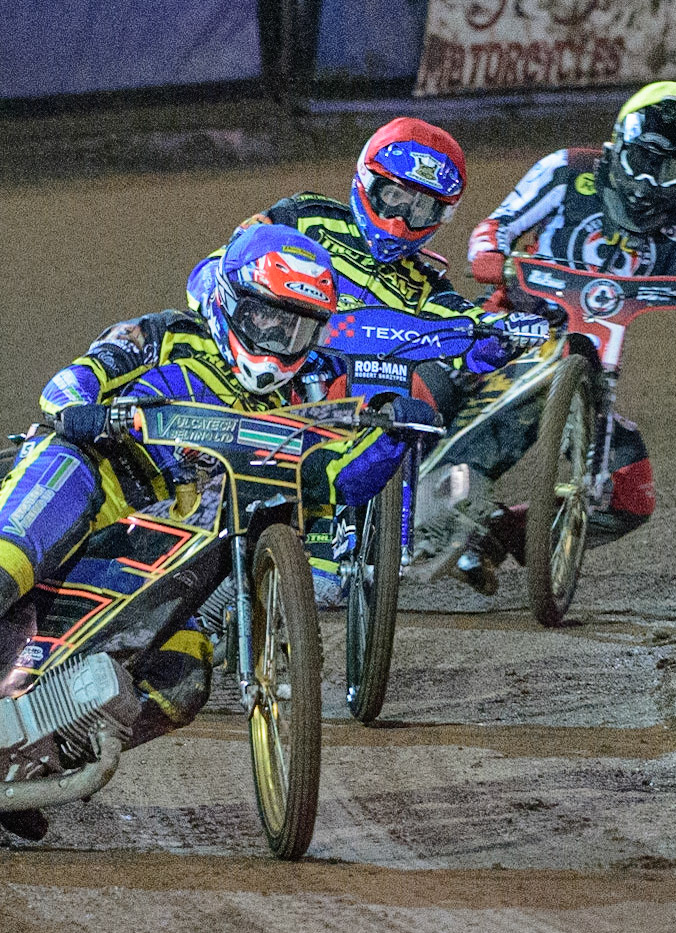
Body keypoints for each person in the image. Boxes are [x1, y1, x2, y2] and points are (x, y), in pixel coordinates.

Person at [0, 224, 436, 796]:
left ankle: (21, 764)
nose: (278, 339)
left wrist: (393, 439)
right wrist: (92, 411)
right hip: (90, 470)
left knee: (182, 679)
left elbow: (331, 480)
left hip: (165, 544)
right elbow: (65, 388)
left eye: (295, 327)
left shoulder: (315, 388)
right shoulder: (164, 335)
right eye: (266, 319)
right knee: (3, 567)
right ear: (228, 302)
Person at [186, 117, 550, 604]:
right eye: (394, 196)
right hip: (266, 368)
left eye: (421, 207)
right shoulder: (306, 218)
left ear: (441, 216)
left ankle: (366, 535)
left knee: (419, 394)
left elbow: (465, 333)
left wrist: (501, 335)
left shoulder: (426, 284)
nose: (402, 219)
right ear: (365, 180)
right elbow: (218, 266)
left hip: (344, 401)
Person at [421, 81, 676, 594]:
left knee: (628, 493)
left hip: (594, 370)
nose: (649, 183)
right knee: (431, 392)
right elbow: (497, 226)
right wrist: (493, 258)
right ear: (619, 146)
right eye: (643, 161)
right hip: (511, 329)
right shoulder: (567, 170)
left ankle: (494, 535)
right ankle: (418, 503)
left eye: (667, 170)